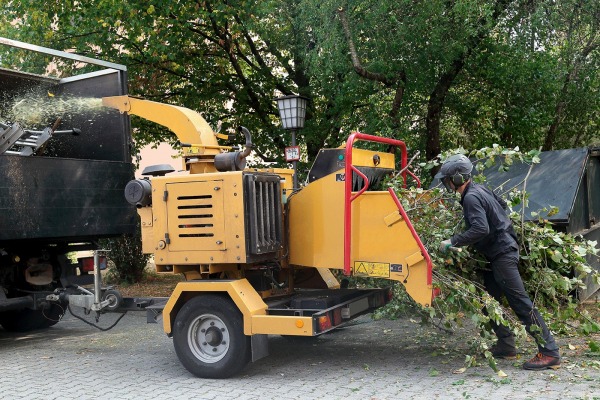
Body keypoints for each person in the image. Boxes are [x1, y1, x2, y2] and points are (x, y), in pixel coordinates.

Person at [435, 154, 561, 370]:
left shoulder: (471, 197)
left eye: (447, 179)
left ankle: (549, 352)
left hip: (502, 254)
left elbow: (480, 228)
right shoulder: (480, 189)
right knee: (488, 300)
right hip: (497, 252)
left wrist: (453, 241)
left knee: (520, 303)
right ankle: (506, 344)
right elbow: (501, 204)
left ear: (457, 178)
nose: (446, 183)